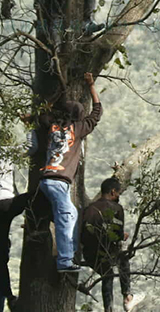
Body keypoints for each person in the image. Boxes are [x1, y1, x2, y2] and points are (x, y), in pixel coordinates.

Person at [36, 73, 103, 273]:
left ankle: (70, 252)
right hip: (57, 181)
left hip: (50, 179)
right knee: (66, 215)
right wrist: (91, 85)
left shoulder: (51, 126)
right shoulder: (79, 128)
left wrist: (58, 96)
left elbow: (43, 112)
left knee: (70, 213)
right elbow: (97, 111)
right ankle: (65, 261)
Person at [82, 177, 146, 312]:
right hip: (107, 251)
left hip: (89, 253)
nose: (118, 196)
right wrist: (122, 236)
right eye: (118, 193)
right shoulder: (116, 208)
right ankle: (127, 296)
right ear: (112, 192)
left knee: (107, 274)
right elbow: (116, 234)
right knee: (123, 259)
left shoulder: (90, 208)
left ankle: (108, 309)